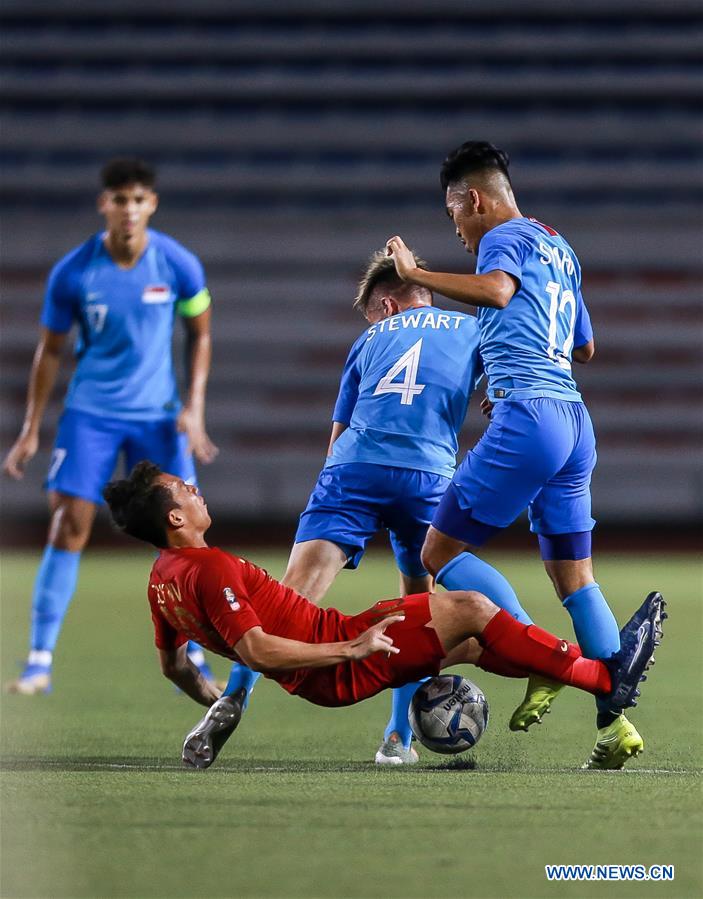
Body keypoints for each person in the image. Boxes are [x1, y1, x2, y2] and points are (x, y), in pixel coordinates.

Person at [102, 461, 664, 771]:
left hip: (330, 659)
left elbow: (173, 666)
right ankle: (604, 678)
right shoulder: (211, 567)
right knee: (471, 606)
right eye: (184, 488)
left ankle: (552, 669)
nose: (195, 489)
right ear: (176, 516)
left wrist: (213, 699)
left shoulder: (162, 580)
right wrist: (350, 649)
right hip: (340, 652)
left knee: (474, 643)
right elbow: (256, 650)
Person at [385, 140, 640, 769]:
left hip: (529, 415)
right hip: (576, 424)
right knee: (575, 577)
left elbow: (498, 291)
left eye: (455, 219)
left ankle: (546, 654)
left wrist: (417, 277)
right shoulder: (562, 248)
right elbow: (584, 348)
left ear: (474, 199)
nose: (462, 233)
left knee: (436, 554)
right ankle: (617, 722)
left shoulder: (502, 237)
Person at [222, 246, 509, 765]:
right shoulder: (473, 328)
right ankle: (397, 738)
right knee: (419, 610)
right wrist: (495, 394)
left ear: (387, 307)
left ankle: (234, 693)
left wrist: (336, 503)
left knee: (291, 599)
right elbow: (504, 384)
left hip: (353, 469)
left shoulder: (367, 340)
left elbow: (337, 437)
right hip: (427, 473)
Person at [3, 157, 219, 695]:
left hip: (159, 415)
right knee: (68, 525)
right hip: (91, 414)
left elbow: (201, 336)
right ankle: (38, 661)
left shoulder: (179, 265)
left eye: (138, 199)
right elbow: (50, 352)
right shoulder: (74, 272)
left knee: (182, 532)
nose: (129, 209)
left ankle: (195, 652)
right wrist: (31, 428)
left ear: (152, 204)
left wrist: (193, 408)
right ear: (105, 204)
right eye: (119, 199)